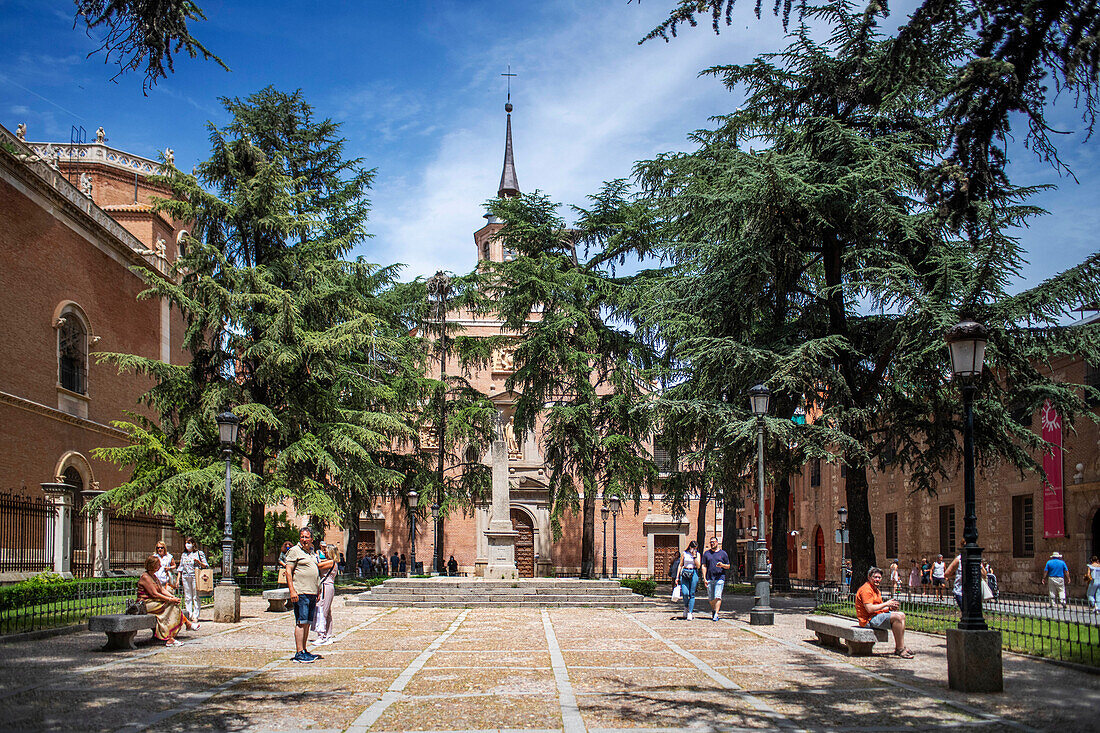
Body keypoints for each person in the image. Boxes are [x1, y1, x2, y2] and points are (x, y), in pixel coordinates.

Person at [855, 566, 913, 658]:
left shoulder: (876, 589)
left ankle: (901, 645)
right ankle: (900, 649)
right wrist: (887, 604)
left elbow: (878, 608)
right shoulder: (866, 589)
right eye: (875, 577)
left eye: (879, 577)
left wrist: (889, 609)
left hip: (876, 616)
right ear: (869, 578)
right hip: (868, 620)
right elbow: (869, 609)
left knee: (901, 615)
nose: (877, 579)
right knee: (897, 617)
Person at [285, 528, 322, 663]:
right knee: (301, 622)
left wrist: (318, 589)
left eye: (307, 537)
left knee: (307, 623)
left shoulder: (311, 553)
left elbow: (315, 572)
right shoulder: (295, 551)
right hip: (301, 591)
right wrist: (292, 591)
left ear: (312, 539)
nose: (304, 539)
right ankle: (299, 652)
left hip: (311, 592)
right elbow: (288, 572)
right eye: (302, 537)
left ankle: (304, 649)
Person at [137, 554, 186, 646]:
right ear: (153, 565)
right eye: (158, 564)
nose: (160, 566)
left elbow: (162, 590)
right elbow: (154, 593)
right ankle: (168, 636)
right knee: (169, 606)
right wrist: (170, 600)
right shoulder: (145, 577)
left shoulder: (154, 576)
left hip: (154, 602)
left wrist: (172, 597)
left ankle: (170, 636)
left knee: (173, 607)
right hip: (145, 604)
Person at [177, 537, 208, 628]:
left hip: (195, 576)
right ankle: (189, 614)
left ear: (193, 544)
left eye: (189, 543)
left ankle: (196, 614)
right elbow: (181, 567)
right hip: (186, 576)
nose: (187, 545)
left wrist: (199, 562)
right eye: (186, 543)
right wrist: (178, 578)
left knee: (195, 595)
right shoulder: (184, 554)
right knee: (187, 596)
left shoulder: (199, 553)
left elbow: (205, 565)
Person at [312, 542, 339, 646]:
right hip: (327, 587)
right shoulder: (331, 562)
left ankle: (321, 636)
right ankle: (328, 635)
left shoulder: (331, 562)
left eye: (326, 551)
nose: (324, 553)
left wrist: (314, 556)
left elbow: (318, 565)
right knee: (327, 612)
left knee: (322, 610)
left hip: (326, 587)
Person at [701, 536, 730, 621]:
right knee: (711, 598)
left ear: (717, 543)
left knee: (718, 596)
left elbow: (728, 566)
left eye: (713, 542)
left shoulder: (723, 553)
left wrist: (722, 565)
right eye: (711, 542)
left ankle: (716, 614)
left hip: (720, 578)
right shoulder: (707, 554)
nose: (712, 543)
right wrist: (704, 578)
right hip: (710, 578)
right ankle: (714, 610)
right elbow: (704, 566)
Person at [678, 540, 702, 620]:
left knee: (692, 593)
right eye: (693, 548)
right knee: (685, 593)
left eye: (695, 548)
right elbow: (680, 564)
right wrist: (677, 577)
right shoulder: (684, 553)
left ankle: (690, 612)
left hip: (693, 572)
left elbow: (698, 566)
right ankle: (686, 607)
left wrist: (694, 556)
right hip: (685, 572)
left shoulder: (697, 554)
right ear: (690, 547)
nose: (694, 550)